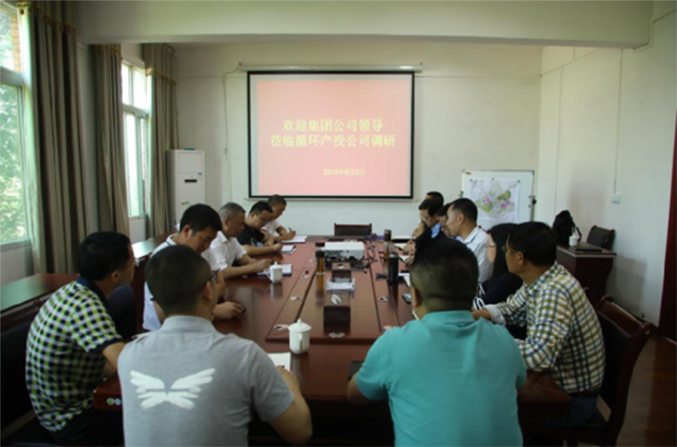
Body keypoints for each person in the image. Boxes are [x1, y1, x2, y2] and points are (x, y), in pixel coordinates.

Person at [119, 245, 312, 447]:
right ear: (208, 290)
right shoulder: (243, 355)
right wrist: (289, 383)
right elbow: (300, 432)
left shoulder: (129, 354)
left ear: (156, 303)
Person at [347, 234, 526, 447]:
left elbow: (355, 395)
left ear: (415, 296)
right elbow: (518, 386)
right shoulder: (504, 340)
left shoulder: (395, 343)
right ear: (474, 292)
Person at [473, 222, 605, 428]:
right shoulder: (543, 276)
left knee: (487, 408)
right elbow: (512, 309)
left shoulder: (553, 291)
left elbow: (538, 356)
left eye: (506, 250)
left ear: (520, 258)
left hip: (571, 401)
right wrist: (481, 314)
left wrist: (489, 342)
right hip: (556, 386)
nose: (503, 254)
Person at [25, 232, 134, 446]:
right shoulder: (86, 307)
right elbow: (128, 364)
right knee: (153, 414)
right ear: (115, 275)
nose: (135, 265)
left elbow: (108, 361)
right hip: (71, 421)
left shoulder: (71, 291)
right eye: (132, 262)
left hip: (56, 407)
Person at [143, 204, 243, 331]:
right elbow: (164, 314)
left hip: (196, 325)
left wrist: (192, 302)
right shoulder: (162, 258)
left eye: (211, 241)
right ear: (186, 231)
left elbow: (221, 287)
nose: (207, 246)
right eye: (205, 239)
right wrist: (215, 311)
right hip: (164, 332)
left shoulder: (204, 250)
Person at [204, 202, 274, 279]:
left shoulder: (232, 238)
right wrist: (255, 267)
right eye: (240, 224)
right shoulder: (215, 241)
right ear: (226, 222)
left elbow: (244, 259)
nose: (242, 228)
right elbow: (222, 272)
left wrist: (262, 264)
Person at [445, 198, 492, 282]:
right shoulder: (461, 241)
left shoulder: (481, 242)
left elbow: (480, 279)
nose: (446, 223)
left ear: (460, 218)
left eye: (448, 218)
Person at [477, 223, 523, 307]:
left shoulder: (509, 279)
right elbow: (479, 289)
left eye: (489, 245)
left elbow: (481, 305)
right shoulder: (499, 275)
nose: (486, 249)